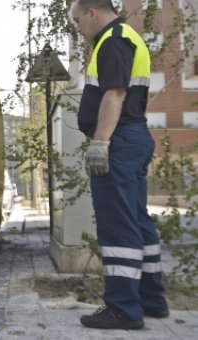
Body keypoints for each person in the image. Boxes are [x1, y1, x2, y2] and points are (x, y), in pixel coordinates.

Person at [71, 0, 168, 330]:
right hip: (132, 137)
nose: (77, 25)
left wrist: (100, 143)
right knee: (137, 219)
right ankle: (150, 300)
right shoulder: (126, 37)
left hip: (119, 141)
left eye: (77, 18)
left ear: (92, 13)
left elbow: (115, 95)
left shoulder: (113, 41)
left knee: (118, 222)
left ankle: (124, 308)